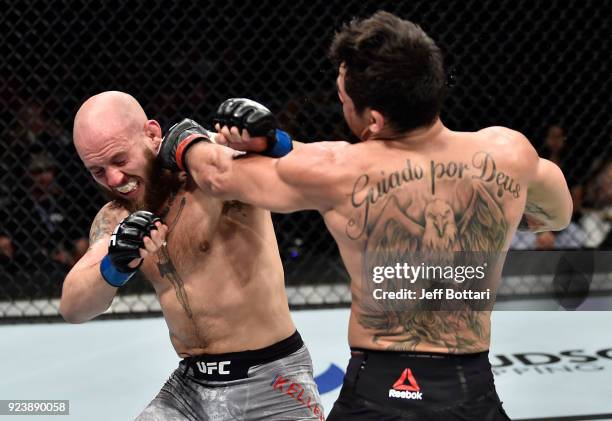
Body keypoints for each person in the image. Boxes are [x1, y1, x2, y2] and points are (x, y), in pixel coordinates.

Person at [175, 11, 572, 420]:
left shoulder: (339, 172)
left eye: (344, 100)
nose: (342, 105)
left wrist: (186, 138)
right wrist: (275, 142)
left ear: (375, 120)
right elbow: (556, 215)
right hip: (468, 386)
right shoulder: (508, 153)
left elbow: (219, 175)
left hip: (378, 390)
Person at [59, 91, 324, 421]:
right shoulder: (116, 217)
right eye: (97, 171)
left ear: (153, 134)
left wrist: (270, 141)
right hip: (190, 389)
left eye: (120, 160)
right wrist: (114, 263)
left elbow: (302, 179)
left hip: (272, 380)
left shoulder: (213, 172)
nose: (114, 180)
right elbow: (73, 307)